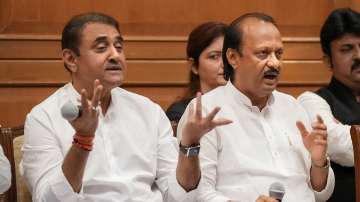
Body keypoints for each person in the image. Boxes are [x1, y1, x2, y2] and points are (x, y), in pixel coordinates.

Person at [21, 12, 224, 202]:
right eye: (101, 48)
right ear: (71, 59)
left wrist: (189, 146)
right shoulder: (43, 117)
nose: (115, 55)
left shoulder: (148, 111)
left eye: (118, 47)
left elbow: (180, 196)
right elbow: (49, 199)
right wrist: (82, 141)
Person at [177, 12, 335, 202]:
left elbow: (321, 194)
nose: (274, 63)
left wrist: (319, 162)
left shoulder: (293, 107)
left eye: (279, 54)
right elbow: (198, 195)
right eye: (263, 53)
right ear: (233, 57)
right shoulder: (205, 112)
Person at [297, 7, 360, 202]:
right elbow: (343, 148)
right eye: (346, 49)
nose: (359, 55)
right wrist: (346, 136)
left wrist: (348, 131)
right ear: (327, 60)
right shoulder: (311, 101)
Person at [166, 22, 227, 136]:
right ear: (194, 66)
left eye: (229, 56)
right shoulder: (180, 112)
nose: (225, 64)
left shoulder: (247, 104)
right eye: (214, 56)